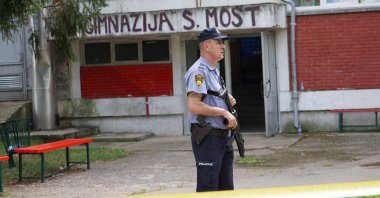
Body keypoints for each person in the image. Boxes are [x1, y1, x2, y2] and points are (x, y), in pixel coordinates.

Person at [184, 27, 238, 192]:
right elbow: (193, 105)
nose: (223, 46)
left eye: (223, 43)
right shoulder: (199, 72)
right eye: (219, 42)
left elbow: (210, 97)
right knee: (208, 189)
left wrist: (226, 101)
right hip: (209, 139)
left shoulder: (213, 71)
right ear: (206, 46)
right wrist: (223, 112)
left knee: (225, 189)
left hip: (222, 139)